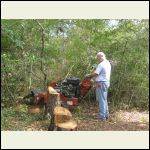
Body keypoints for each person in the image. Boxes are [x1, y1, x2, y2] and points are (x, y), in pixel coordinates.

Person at [85, 52, 111, 120]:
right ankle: (106, 115)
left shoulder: (101, 64)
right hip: (106, 82)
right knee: (104, 99)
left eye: (98, 58)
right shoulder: (108, 63)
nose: (98, 60)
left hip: (101, 83)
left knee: (101, 100)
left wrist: (89, 76)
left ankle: (102, 116)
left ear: (100, 57)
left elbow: (96, 73)